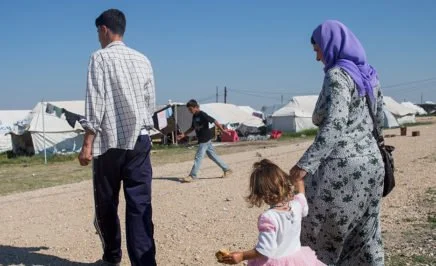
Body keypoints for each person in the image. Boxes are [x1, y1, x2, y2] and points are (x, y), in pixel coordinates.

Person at [289, 20, 385, 265]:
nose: (317, 57)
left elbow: (334, 124)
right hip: (373, 167)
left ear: (330, 44)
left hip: (342, 168)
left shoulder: (337, 76)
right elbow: (380, 119)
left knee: (320, 238)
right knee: (365, 237)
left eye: (317, 49)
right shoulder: (370, 75)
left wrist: (304, 165)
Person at [78, 9, 157, 266]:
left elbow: (96, 100)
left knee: (107, 204)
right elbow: (149, 103)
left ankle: (111, 258)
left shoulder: (99, 58)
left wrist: (87, 143)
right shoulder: (143, 59)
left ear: (104, 29)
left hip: (109, 141)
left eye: (97, 32)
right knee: (140, 205)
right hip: (140, 140)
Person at [219, 159, 325, 266]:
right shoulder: (296, 206)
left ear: (259, 193)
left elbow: (265, 249)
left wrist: (242, 256)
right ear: (285, 184)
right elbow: (301, 198)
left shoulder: (268, 217)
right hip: (297, 260)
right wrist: (299, 181)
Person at [177, 99, 232, 182]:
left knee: (198, 157)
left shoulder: (202, 114)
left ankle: (192, 175)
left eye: (190, 109)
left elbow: (214, 121)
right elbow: (192, 127)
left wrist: (222, 130)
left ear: (196, 107)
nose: (190, 111)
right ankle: (227, 169)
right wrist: (184, 134)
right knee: (212, 156)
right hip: (203, 139)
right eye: (189, 110)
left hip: (205, 139)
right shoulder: (194, 116)